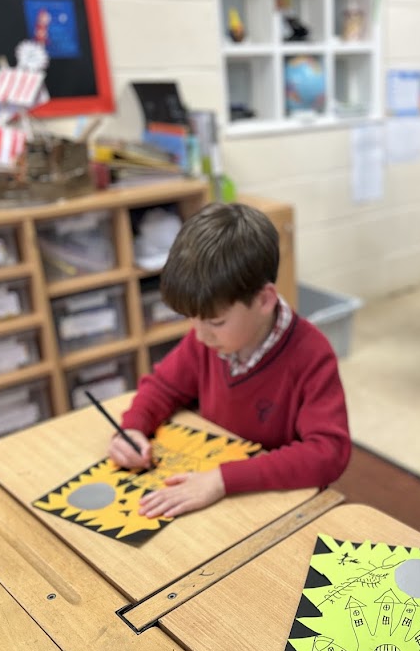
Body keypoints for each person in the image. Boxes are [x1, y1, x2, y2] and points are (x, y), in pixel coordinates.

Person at [109, 202, 351, 517]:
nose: (199, 335)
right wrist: (134, 428)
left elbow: (328, 453)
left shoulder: (310, 354)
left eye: (215, 322)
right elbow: (164, 386)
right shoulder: (208, 341)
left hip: (276, 505)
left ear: (264, 300)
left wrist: (224, 479)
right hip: (215, 493)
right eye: (192, 320)